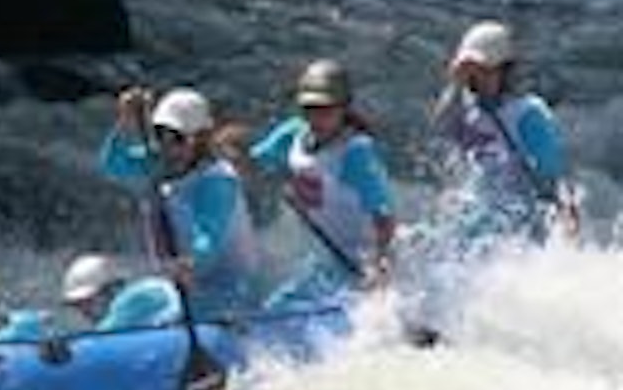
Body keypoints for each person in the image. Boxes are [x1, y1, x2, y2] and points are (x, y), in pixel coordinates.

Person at [99, 85, 264, 317]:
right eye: (160, 134)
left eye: (177, 138)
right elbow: (112, 165)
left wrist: (189, 263)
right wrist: (126, 121)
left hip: (230, 289)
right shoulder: (156, 163)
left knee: (166, 316)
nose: (167, 146)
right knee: (131, 308)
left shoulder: (218, 181)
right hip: (182, 284)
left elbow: (208, 239)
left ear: (200, 140)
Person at [249, 58, 399, 303]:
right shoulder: (293, 133)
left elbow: (384, 216)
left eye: (326, 109)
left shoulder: (356, 152)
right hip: (327, 258)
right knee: (278, 304)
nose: (316, 118)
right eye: (309, 109)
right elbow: (251, 161)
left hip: (362, 263)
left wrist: (379, 266)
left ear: (344, 108)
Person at [430, 19, 578, 243]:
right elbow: (441, 127)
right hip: (474, 224)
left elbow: (555, 176)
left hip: (519, 229)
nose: (480, 80)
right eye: (475, 73)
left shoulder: (528, 113)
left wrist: (568, 221)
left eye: (488, 72)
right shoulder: (467, 112)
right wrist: (456, 84)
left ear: (506, 71)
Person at [61, 253, 183, 331]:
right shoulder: (151, 290)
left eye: (88, 301)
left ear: (111, 289)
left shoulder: (135, 299)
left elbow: (103, 338)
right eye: (78, 305)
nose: (84, 311)